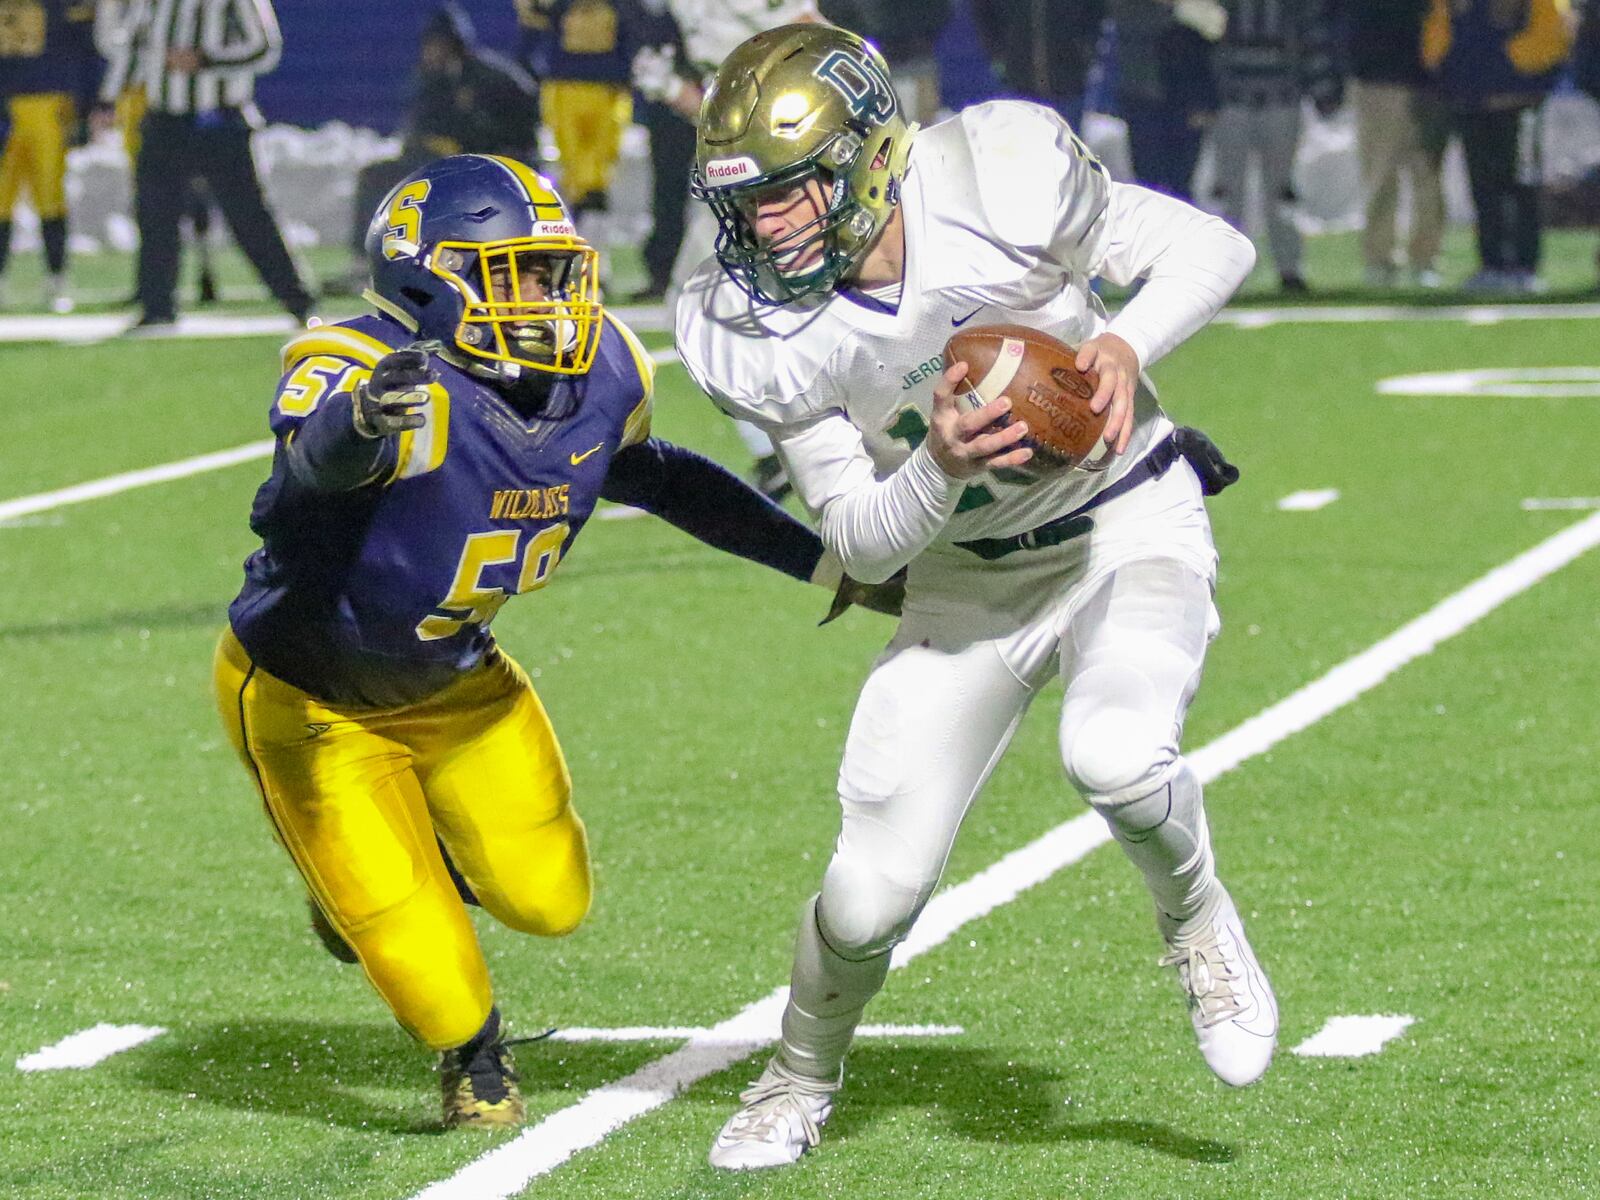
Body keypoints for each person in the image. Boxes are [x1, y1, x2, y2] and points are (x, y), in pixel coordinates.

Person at [677, 24, 1275, 1170]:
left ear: (866, 158)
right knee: (866, 895)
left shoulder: (993, 177)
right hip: (965, 580)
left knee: (1113, 751)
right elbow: (856, 535)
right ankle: (797, 1074)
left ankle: (1197, 922)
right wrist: (938, 468)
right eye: (747, 204)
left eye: (793, 195)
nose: (768, 228)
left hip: (1123, 521)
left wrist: (1123, 344)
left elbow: (1211, 246)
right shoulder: (747, 323)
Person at [211, 153, 896, 1130]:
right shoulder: (366, 368)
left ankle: (408, 857)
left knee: (550, 898)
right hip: (310, 696)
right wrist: (358, 424)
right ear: (423, 278)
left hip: (459, 682)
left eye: (549, 269)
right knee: (421, 958)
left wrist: (829, 562)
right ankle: (471, 1053)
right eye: (510, 273)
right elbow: (300, 479)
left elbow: (660, 478)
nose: (543, 296)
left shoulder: (601, 371)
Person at [98, 0, 313, 331]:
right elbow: (137, 46)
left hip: (219, 117)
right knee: (155, 212)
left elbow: (264, 48)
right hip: (164, 117)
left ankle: (298, 300)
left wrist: (205, 59)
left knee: (247, 214)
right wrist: (109, 97)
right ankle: (157, 307)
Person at [337, 4, 538, 292]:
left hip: (491, 168)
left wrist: (477, 144)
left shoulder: (497, 79)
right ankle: (367, 262)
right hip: (442, 167)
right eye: (430, 45)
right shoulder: (429, 81)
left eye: (439, 45)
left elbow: (524, 134)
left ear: (456, 45)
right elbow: (418, 135)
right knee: (378, 177)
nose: (433, 52)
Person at [1423, 0, 1575, 293]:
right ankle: (1491, 263)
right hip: (1471, 100)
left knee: (1519, 182)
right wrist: (1451, 65)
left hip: (1519, 100)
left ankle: (1523, 264)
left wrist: (1505, 63)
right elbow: (1438, 30)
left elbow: (1552, 33)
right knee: (1482, 184)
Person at [1208, 0, 1342, 293]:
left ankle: (1289, 267)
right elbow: (1203, 34)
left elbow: (1312, 35)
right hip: (1232, 100)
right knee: (1230, 189)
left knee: (1282, 189)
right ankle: (1225, 268)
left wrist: (1323, 91)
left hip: (1280, 97)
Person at [0, 0, 102, 313]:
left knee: (51, 195)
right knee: (2, 198)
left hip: (50, 99)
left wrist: (88, 107)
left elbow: (86, 46)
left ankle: (57, 279)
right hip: (8, 101)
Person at [1345, 0, 1449, 289]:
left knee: (1428, 176)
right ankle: (1380, 259)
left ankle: (1425, 258)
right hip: (1377, 79)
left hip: (1429, 81)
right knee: (1380, 175)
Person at [519, 0, 636, 217]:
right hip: (567, 85)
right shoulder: (560, 6)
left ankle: (588, 202)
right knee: (573, 158)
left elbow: (633, 32)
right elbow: (534, 22)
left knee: (600, 155)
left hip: (606, 87)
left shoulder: (619, 6)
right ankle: (581, 205)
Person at [1110, 0, 1223, 200]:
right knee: (1146, 186)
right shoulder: (1135, 9)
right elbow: (1127, 24)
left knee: (1181, 185)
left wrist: (1206, 101)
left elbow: (1214, 36)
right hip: (1143, 98)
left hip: (1185, 102)